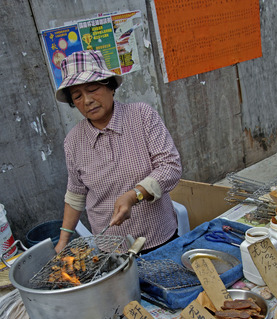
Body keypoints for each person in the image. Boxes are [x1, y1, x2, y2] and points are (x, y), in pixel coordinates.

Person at [54, 50, 182, 253]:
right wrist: (63, 240)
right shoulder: (73, 141)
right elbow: (76, 194)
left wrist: (133, 196)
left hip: (159, 237)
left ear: (110, 87)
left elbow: (170, 167)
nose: (87, 100)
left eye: (93, 89)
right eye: (77, 96)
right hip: (111, 249)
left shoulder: (142, 115)